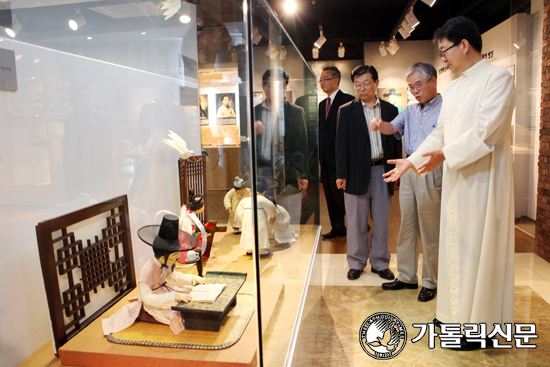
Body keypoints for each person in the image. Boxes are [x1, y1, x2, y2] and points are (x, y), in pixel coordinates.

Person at [383, 16, 515, 350]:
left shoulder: (498, 78)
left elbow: (488, 132)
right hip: (458, 176)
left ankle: (479, 327)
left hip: (483, 180)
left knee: (480, 251)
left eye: (445, 51)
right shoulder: (454, 86)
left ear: (464, 45)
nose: (443, 58)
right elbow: (440, 133)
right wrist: (412, 160)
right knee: (455, 244)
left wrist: (444, 155)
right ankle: (453, 315)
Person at [371, 62, 443, 302]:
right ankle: (407, 276)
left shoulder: (446, 108)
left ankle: (431, 281)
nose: (414, 90)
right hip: (408, 170)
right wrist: (382, 126)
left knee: (430, 228)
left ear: (433, 80)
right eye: (411, 86)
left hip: (430, 168)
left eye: (419, 85)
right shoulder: (410, 110)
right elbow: (394, 127)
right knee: (407, 225)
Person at [335, 65, 401, 281]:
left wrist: (396, 171)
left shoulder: (390, 110)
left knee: (382, 221)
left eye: (365, 83)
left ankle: (380, 263)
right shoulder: (346, 110)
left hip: (383, 170)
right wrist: (341, 174)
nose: (361, 88)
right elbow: (340, 145)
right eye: (357, 84)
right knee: (355, 222)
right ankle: (356, 262)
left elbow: (395, 143)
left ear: (376, 83)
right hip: (355, 173)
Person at [102, 214, 205, 335]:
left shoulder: (165, 263)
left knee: (192, 293)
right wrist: (172, 297)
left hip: (166, 290)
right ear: (162, 257)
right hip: (155, 299)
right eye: (174, 256)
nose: (178, 258)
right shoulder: (147, 271)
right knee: (179, 316)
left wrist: (192, 278)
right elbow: (147, 298)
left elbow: (173, 277)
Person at [253, 68, 309, 224]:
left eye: (281, 85)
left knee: (289, 216)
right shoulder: (254, 112)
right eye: (271, 85)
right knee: (262, 217)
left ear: (285, 87)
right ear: (264, 87)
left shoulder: (296, 112)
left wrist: (302, 173)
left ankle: (290, 246)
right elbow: (245, 143)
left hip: (288, 170)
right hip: (261, 171)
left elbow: (302, 144)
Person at [318, 66, 355, 239]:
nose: (322, 82)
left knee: (344, 196)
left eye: (325, 79)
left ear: (336, 80)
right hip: (325, 159)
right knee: (331, 196)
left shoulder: (348, 100)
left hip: (341, 159)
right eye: (320, 80)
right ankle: (337, 227)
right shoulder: (321, 105)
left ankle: (358, 225)